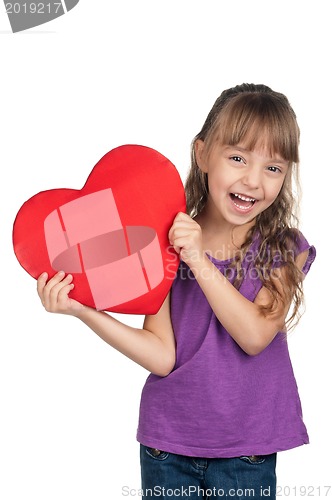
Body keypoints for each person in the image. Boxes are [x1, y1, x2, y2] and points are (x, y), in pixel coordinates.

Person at [37, 83, 316, 499]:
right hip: (166, 446)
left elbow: (256, 335)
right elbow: (162, 356)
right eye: (237, 158)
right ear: (202, 153)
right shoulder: (162, 238)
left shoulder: (284, 248)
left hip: (247, 453)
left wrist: (198, 258)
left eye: (273, 168)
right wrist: (84, 310)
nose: (253, 180)